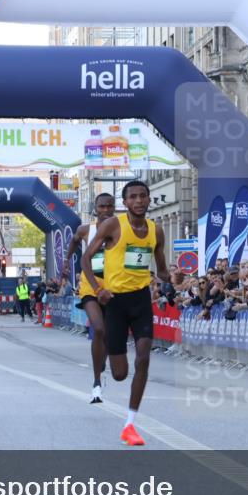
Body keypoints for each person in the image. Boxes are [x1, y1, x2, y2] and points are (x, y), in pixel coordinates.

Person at [81, 181, 170, 446]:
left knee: (144, 356)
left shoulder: (157, 231)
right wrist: (98, 289)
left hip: (141, 300)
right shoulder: (113, 226)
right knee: (120, 373)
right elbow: (86, 259)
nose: (139, 201)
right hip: (115, 301)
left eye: (143, 196)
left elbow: (162, 268)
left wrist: (172, 277)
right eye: (133, 197)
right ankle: (107, 370)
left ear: (149, 200)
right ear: (126, 202)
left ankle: (130, 424)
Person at [65, 192, 116, 403]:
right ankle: (96, 381)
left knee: (110, 334)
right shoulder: (86, 230)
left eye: (109, 206)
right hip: (90, 285)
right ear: (96, 209)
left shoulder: (120, 228)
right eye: (101, 207)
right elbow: (75, 242)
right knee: (99, 328)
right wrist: (67, 262)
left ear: (114, 208)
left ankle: (101, 363)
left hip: (114, 284)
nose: (105, 210)